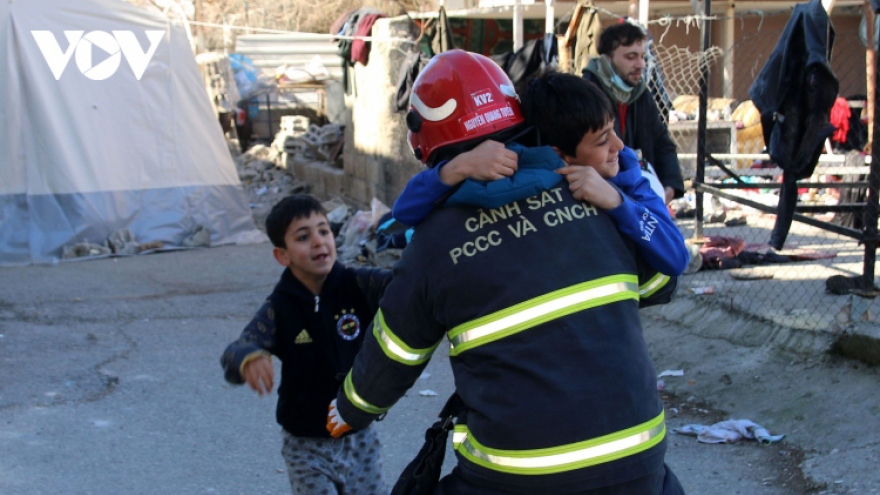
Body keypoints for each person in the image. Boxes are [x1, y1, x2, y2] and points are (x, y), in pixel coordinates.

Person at [326, 50, 685, 494]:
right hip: (639, 466)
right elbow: (660, 283)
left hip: (515, 477)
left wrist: (349, 410)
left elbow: (396, 352)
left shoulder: (434, 243)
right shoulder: (595, 195)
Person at [391, 70, 689, 277]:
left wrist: (617, 202)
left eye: (613, 131)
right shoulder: (524, 174)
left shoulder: (626, 173)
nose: (620, 145)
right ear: (560, 154)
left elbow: (677, 258)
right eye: (602, 140)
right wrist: (461, 166)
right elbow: (405, 211)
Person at [220, 194, 392, 495]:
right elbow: (241, 345)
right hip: (305, 445)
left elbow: (404, 286)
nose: (318, 242)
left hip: (358, 437)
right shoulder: (280, 307)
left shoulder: (359, 284)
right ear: (282, 255)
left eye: (324, 231)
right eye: (303, 236)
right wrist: (249, 357)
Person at [583, 22, 684, 204]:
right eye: (631, 57)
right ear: (607, 59)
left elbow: (661, 142)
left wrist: (671, 183)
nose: (640, 64)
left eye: (642, 57)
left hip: (638, 193)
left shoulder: (641, 94)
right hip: (601, 197)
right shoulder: (586, 94)